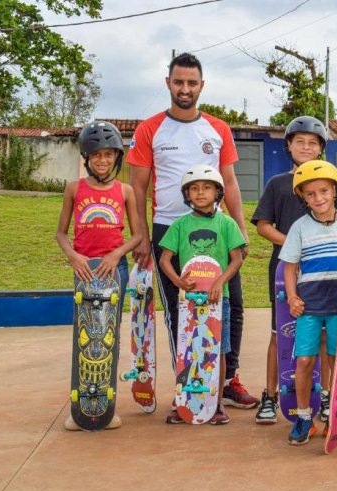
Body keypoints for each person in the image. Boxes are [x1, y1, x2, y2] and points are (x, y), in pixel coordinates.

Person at [127, 52, 259, 424]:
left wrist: (241, 228)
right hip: (170, 229)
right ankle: (189, 383)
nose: (185, 89)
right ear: (167, 82)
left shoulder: (217, 129)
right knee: (180, 312)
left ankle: (228, 380)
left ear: (202, 85)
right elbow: (138, 187)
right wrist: (139, 235)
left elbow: (230, 182)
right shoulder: (150, 129)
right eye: (179, 82)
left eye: (192, 83)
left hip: (217, 229)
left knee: (231, 306)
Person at [279, 160, 337, 445]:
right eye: (310, 194)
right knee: (305, 361)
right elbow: (290, 267)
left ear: (335, 191)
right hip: (310, 306)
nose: (318, 198)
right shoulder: (299, 228)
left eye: (323, 191)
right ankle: (305, 416)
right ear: (303, 198)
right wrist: (293, 297)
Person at [56, 120, 142, 431]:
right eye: (96, 156)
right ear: (86, 158)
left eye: (108, 155)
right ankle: (80, 408)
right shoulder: (73, 189)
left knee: (108, 338)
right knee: (84, 337)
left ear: (117, 158)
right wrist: (74, 256)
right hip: (84, 270)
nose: (102, 161)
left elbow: (138, 236)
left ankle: (106, 406)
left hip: (113, 271)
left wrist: (117, 254)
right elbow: (61, 234)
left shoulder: (126, 191)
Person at [250, 115, 332, 425]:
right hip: (285, 268)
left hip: (322, 268)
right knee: (279, 332)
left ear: (321, 148)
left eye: (313, 143)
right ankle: (270, 396)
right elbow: (262, 225)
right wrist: (295, 244)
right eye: (300, 141)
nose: (306, 146)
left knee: (322, 335)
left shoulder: (327, 183)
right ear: (289, 145)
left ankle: (324, 395)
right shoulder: (278, 183)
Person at [158, 165, 245, 425]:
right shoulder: (180, 224)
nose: (200, 193)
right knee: (188, 350)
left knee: (216, 351)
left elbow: (237, 259)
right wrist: (177, 281)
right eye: (194, 189)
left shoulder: (226, 223)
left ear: (218, 192)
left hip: (220, 300)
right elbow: (165, 259)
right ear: (187, 194)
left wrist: (220, 281)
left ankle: (215, 403)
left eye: (206, 187)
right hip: (188, 302)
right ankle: (183, 400)